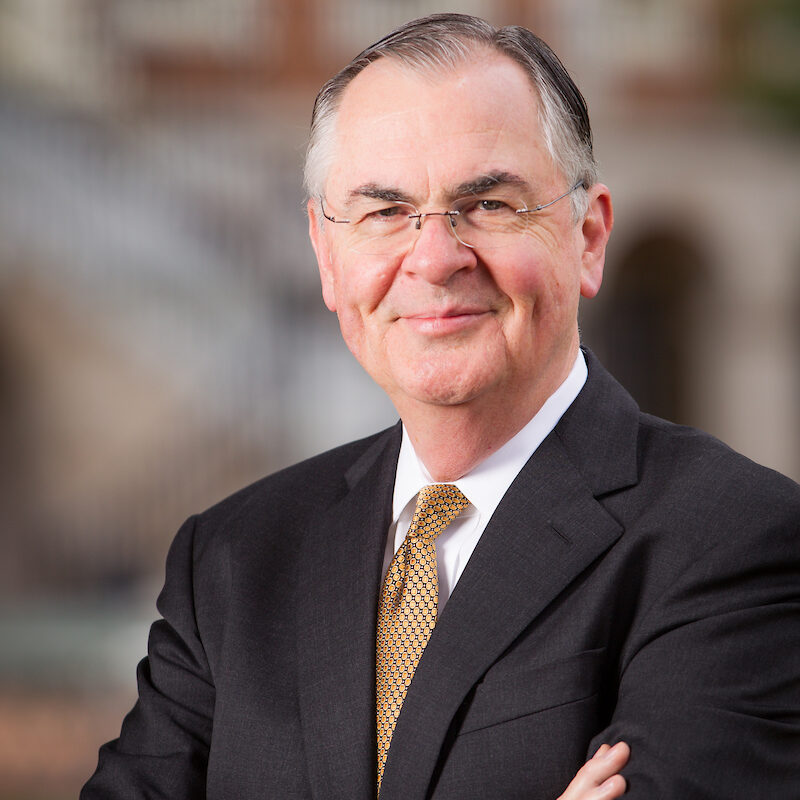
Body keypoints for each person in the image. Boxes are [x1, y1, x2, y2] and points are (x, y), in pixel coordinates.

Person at [82, 13, 800, 799]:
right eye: (385, 211)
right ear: (327, 257)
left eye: (488, 204)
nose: (433, 257)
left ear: (588, 238)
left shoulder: (732, 538)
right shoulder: (231, 560)